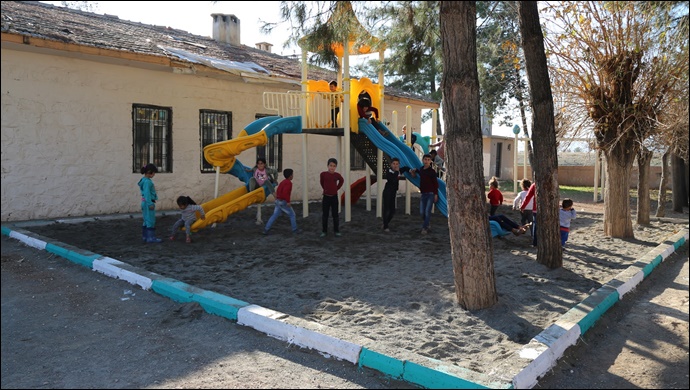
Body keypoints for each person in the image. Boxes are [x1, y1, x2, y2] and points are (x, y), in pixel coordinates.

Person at [262, 169, 302, 235]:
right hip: (283, 202)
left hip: (278, 201)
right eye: (292, 174)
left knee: (274, 215)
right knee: (292, 215)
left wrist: (278, 199)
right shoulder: (289, 183)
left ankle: (266, 229)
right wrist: (288, 202)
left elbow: (278, 190)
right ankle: (295, 230)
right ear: (290, 176)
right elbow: (285, 193)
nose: (293, 176)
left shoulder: (283, 182)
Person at [382, 157, 415, 232]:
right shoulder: (388, 171)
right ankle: (385, 226)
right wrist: (397, 172)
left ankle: (385, 223)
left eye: (397, 164)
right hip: (387, 192)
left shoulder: (399, 170)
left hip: (393, 192)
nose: (395, 165)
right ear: (391, 164)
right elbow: (392, 180)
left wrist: (411, 171)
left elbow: (406, 168)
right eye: (394, 164)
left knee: (392, 211)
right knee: (387, 209)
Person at [410, 154, 439, 235]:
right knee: (422, 212)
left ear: (430, 161)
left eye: (428, 160)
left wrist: (435, 194)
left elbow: (435, 184)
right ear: (422, 160)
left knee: (427, 211)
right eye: (425, 159)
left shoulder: (432, 172)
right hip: (423, 193)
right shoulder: (421, 169)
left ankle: (424, 228)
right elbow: (417, 174)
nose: (426, 161)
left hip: (430, 194)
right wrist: (414, 172)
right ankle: (427, 223)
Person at [320, 158, 344, 238]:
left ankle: (336, 231)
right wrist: (325, 189)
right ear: (327, 166)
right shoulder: (323, 174)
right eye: (330, 165)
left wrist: (336, 188)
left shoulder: (337, 175)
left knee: (335, 215)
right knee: (325, 215)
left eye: (334, 166)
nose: (332, 167)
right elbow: (322, 182)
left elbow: (341, 180)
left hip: (334, 198)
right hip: (326, 197)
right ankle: (324, 231)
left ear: (336, 167)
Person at [138, 163, 162, 243]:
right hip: (148, 202)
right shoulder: (148, 182)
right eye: (154, 172)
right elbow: (147, 193)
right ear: (149, 172)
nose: (154, 174)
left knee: (146, 220)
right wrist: (150, 204)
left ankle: (145, 237)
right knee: (150, 220)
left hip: (144, 202)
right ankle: (151, 238)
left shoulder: (143, 180)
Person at [521, 181, 537, 247]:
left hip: (537, 209)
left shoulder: (534, 185)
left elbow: (528, 197)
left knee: (536, 226)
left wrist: (522, 207)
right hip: (549, 209)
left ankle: (535, 243)